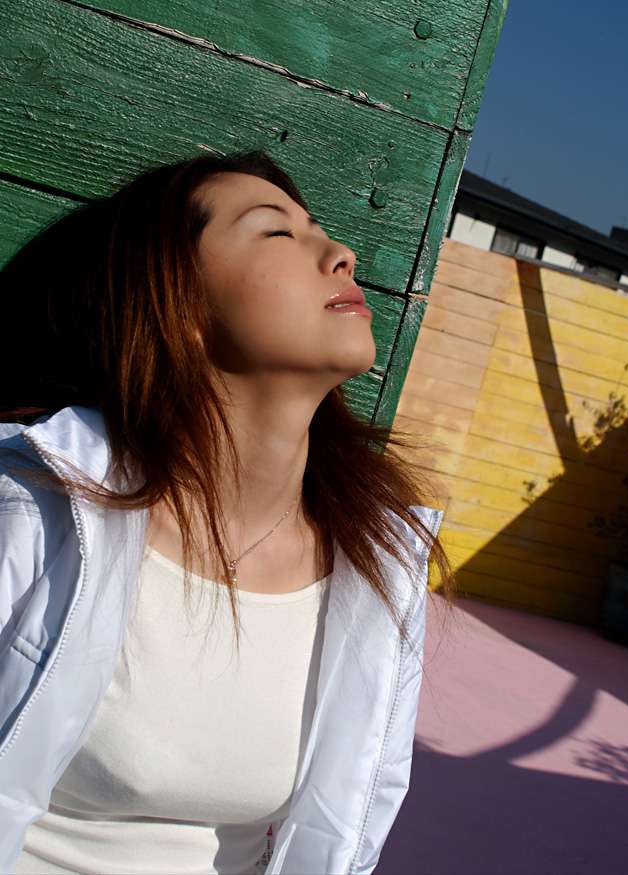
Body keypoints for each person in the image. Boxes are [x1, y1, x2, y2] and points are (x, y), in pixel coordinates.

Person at [0, 149, 456, 874]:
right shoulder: (36, 508)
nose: (341, 254)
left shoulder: (378, 566)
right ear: (177, 305)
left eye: (320, 229)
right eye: (277, 231)